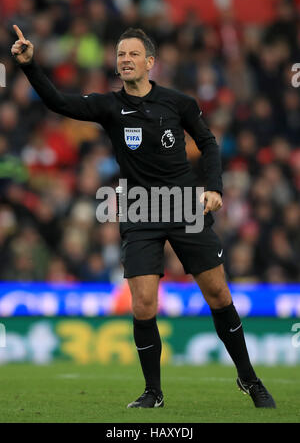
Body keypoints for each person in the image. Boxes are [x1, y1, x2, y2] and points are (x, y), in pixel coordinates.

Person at [11, 24, 276, 409]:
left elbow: (207, 143)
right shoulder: (108, 106)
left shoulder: (178, 103)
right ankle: (153, 392)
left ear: (150, 62)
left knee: (218, 294)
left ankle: (249, 379)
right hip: (140, 210)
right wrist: (30, 66)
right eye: (120, 55)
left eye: (133, 54)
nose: (125, 60)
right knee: (143, 304)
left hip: (185, 204)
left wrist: (215, 187)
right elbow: (58, 102)